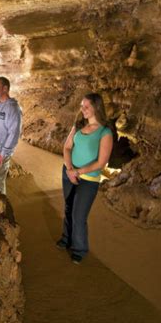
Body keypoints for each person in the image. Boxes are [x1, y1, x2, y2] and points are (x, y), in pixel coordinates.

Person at [57, 93, 113, 264]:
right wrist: (69, 169)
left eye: (86, 106)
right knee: (68, 208)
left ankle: (79, 248)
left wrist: (78, 172)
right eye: (82, 106)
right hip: (69, 173)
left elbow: (101, 162)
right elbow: (67, 147)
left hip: (88, 179)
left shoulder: (105, 132)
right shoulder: (78, 125)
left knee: (78, 214)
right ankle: (66, 239)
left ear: (97, 107)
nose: (83, 110)